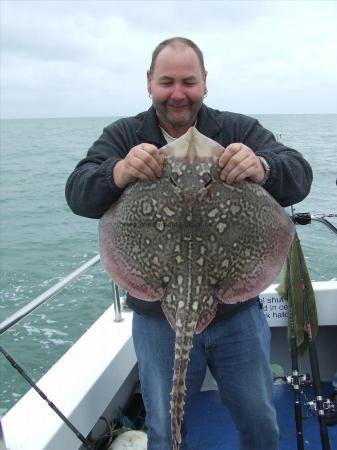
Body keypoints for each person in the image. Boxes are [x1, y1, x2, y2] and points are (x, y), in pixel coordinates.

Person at [65, 37, 313, 450]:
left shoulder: (238, 129)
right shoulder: (125, 134)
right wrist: (119, 172)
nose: (178, 93)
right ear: (149, 83)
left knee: (261, 423)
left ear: (204, 84)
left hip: (237, 318)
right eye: (167, 82)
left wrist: (263, 165)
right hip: (157, 321)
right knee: (165, 432)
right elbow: (78, 192)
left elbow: (299, 174)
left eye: (188, 82)